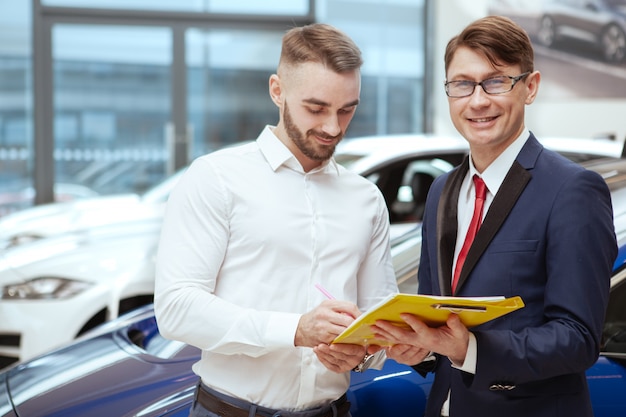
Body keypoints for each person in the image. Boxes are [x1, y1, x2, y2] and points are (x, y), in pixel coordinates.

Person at [369, 15, 617, 417]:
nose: (478, 100)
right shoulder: (442, 190)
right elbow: (437, 316)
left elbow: (578, 338)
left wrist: (470, 350)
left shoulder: (573, 190)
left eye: (496, 81)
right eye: (462, 84)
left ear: (530, 87)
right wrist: (419, 347)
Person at [154, 23, 398, 417]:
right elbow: (177, 308)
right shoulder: (216, 178)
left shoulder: (366, 199)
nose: (333, 127)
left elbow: (379, 319)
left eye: (346, 109)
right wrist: (296, 330)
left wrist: (363, 355)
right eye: (316, 108)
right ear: (277, 90)